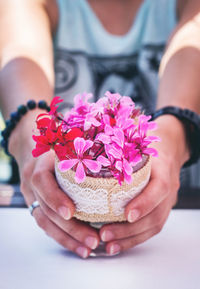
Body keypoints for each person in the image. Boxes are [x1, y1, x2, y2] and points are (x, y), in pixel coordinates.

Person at [0, 0, 200, 259]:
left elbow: (192, 45)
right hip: (46, 254)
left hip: (178, 243)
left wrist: (175, 133)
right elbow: (19, 51)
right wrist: (30, 134)